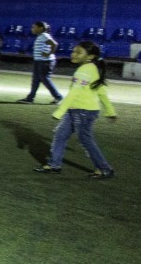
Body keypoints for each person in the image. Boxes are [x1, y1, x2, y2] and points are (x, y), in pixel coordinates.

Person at [34, 41, 117, 178]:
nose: (74, 54)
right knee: (60, 135)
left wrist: (59, 112)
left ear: (90, 56)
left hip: (83, 111)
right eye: (73, 51)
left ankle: (104, 169)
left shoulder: (84, 70)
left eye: (79, 52)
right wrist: (110, 112)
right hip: (78, 110)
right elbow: (101, 91)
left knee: (85, 139)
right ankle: (54, 165)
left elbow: (74, 93)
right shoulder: (92, 68)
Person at [17, 21, 63, 103]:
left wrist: (49, 53)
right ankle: (30, 99)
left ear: (41, 28)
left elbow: (54, 44)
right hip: (39, 61)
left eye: (34, 27)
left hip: (45, 62)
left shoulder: (44, 35)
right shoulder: (40, 36)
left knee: (45, 79)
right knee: (35, 80)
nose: (32, 29)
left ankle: (58, 97)